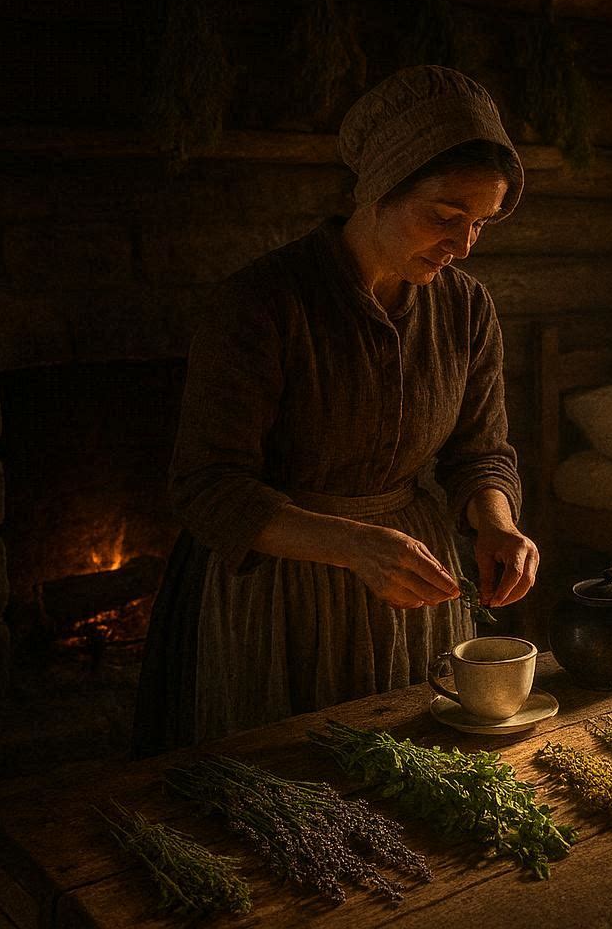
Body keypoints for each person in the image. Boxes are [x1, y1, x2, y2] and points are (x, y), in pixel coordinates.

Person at [134, 66, 539, 755]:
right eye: (445, 215)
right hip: (277, 590)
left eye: (481, 223)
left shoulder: (466, 307)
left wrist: (497, 524)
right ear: (380, 185)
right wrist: (351, 545)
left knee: (411, 774)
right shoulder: (262, 304)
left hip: (407, 582)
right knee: (289, 787)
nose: (463, 245)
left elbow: (480, 451)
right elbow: (207, 487)